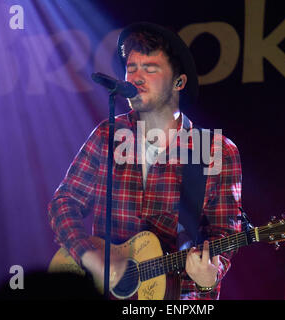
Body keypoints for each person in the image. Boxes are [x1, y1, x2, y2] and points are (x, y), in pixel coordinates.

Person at [48, 22, 242, 300]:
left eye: (150, 68)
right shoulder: (108, 135)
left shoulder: (215, 149)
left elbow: (225, 232)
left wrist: (211, 274)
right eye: (131, 68)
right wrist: (88, 256)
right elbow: (64, 202)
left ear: (179, 82)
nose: (136, 78)